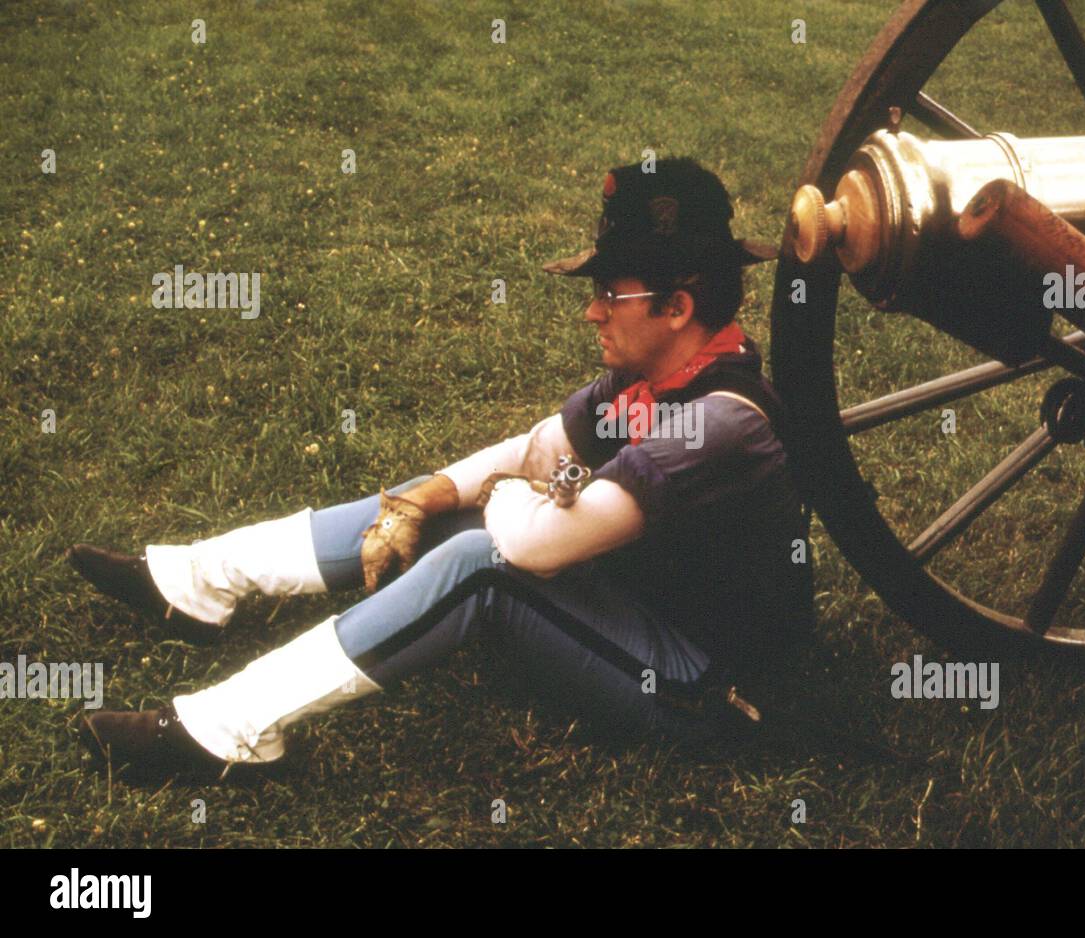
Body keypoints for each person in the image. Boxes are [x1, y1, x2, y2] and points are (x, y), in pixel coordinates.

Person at [70, 157, 816, 781]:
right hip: (644, 613)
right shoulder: (657, 378)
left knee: (481, 562)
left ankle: (230, 729)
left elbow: (530, 547)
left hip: (701, 691)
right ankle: (201, 582)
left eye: (607, 293)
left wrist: (508, 496)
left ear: (678, 306)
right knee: (448, 514)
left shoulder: (722, 421)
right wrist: (421, 499)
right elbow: (536, 448)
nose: (591, 312)